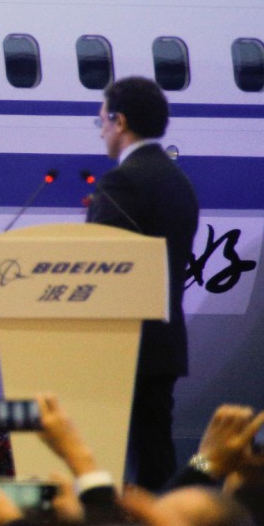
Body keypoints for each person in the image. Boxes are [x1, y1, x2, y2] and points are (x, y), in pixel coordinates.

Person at [89, 75, 200, 489]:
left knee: (123, 467)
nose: (100, 130)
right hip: (162, 341)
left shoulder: (123, 181)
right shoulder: (177, 180)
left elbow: (97, 263)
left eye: (101, 120)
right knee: (155, 458)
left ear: (120, 121)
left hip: (122, 345)